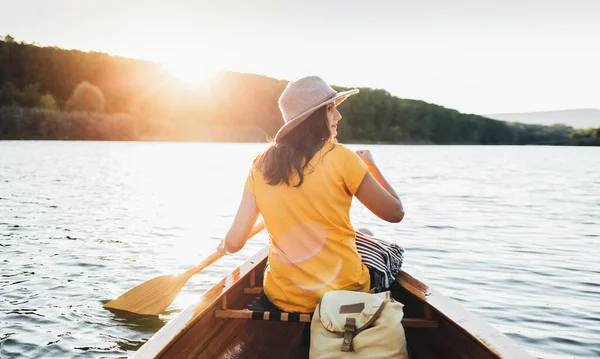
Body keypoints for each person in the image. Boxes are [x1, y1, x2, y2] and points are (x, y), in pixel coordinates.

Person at [217, 76, 404, 313]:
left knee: (363, 234)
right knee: (385, 250)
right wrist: (370, 165)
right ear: (312, 117)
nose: (338, 116)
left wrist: (224, 245)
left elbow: (234, 242)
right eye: (330, 109)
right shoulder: (343, 157)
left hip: (284, 298)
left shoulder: (260, 165)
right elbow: (395, 213)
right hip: (344, 294)